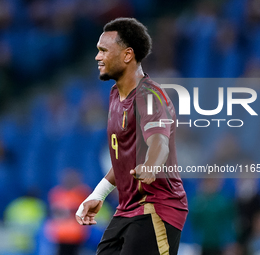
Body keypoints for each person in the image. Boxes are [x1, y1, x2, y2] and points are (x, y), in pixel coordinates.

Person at [75, 17, 188, 255]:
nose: (97, 57)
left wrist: (151, 165)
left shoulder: (149, 96)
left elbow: (160, 142)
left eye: (103, 51)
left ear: (127, 55)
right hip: (127, 209)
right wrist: (98, 195)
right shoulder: (116, 95)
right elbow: (123, 161)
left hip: (156, 207)